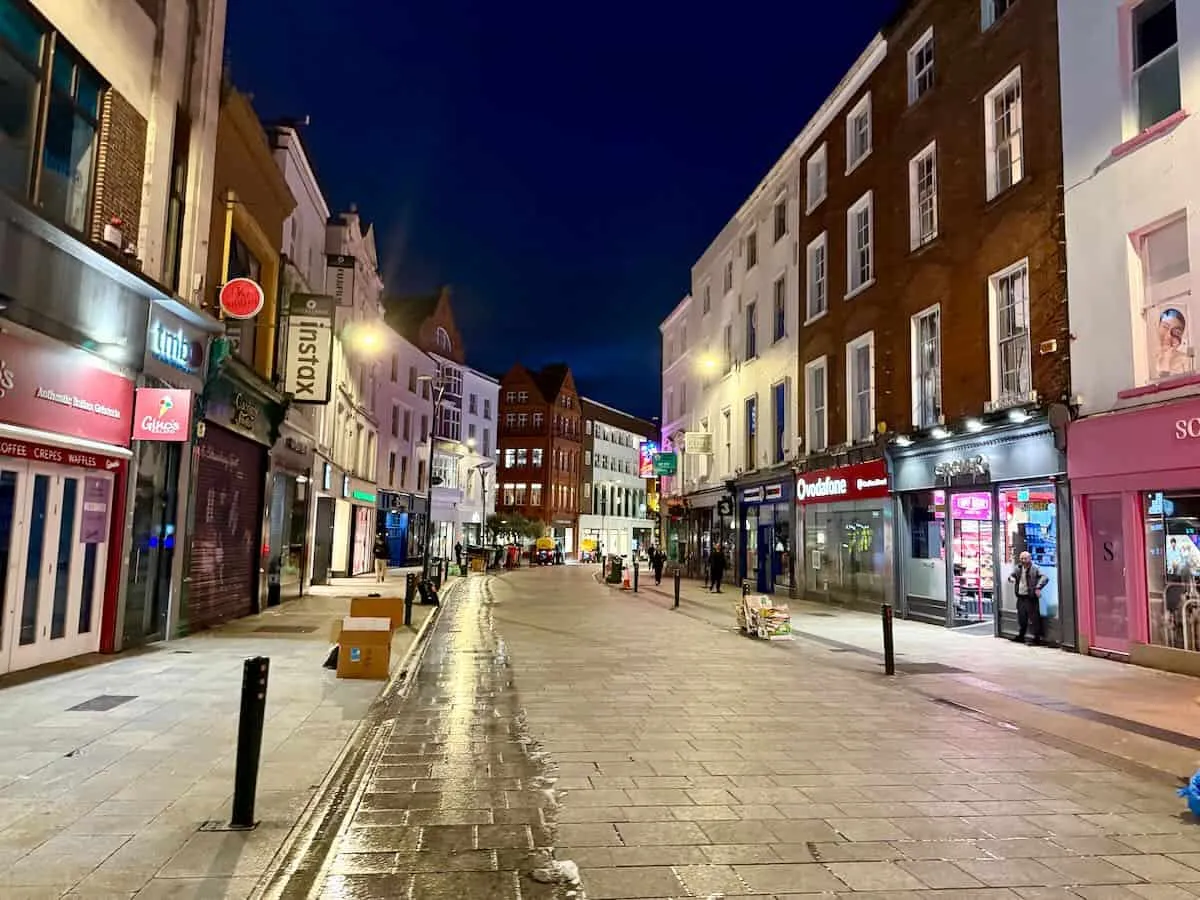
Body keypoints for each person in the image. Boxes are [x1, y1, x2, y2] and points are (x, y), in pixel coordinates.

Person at [1009, 551, 1049, 645]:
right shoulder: (1018, 568)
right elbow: (1012, 576)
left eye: (1025, 558)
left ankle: (1036, 638)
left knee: (1034, 618)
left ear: (1030, 558)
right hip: (1021, 597)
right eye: (1021, 558)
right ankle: (1021, 636)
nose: (1023, 560)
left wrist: (1038, 587)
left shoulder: (1035, 568)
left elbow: (1044, 577)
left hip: (1030, 597)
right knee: (1021, 618)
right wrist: (1011, 578)